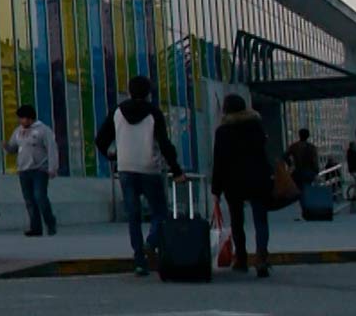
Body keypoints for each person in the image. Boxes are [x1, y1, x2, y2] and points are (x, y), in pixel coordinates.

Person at [95, 76, 188, 276]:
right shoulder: (154, 113)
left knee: (133, 215)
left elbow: (100, 139)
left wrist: (113, 156)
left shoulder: (117, 112)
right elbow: (164, 144)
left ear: (129, 91)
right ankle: (151, 242)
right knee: (159, 211)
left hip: (125, 168)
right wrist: (176, 170)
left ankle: (139, 260)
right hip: (149, 168)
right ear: (148, 93)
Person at [211, 94, 274, 278]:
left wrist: (216, 190)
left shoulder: (223, 131)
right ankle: (261, 258)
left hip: (233, 182)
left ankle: (241, 259)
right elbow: (263, 151)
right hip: (258, 178)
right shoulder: (256, 126)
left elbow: (219, 162)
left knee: (237, 221)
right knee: (261, 220)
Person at [5, 105, 59, 237]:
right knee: (29, 200)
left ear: (29, 118)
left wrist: (52, 168)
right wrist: (7, 147)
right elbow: (13, 148)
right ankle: (35, 228)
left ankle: (50, 222)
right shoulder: (18, 131)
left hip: (39, 169)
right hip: (23, 170)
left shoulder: (43, 130)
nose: (20, 121)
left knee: (40, 196)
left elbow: (52, 149)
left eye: (22, 118)